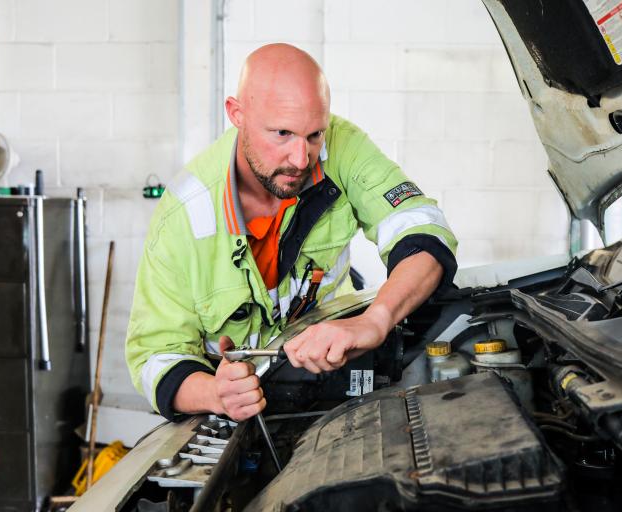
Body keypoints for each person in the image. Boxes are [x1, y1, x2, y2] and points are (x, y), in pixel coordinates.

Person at [126, 43, 458, 421]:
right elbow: (155, 355)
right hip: (233, 417)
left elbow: (422, 229)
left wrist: (375, 321)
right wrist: (216, 394)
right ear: (237, 113)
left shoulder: (343, 147)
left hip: (330, 384)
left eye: (314, 135)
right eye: (282, 133)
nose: (301, 160)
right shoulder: (183, 217)